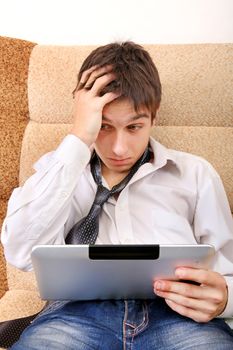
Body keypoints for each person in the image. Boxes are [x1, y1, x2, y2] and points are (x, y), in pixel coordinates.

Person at [1, 41, 233, 349]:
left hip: (178, 314)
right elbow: (19, 251)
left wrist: (225, 299)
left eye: (134, 127)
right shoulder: (58, 172)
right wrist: (80, 138)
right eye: (104, 127)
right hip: (75, 314)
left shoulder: (195, 173)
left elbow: (227, 266)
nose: (119, 149)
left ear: (155, 116)